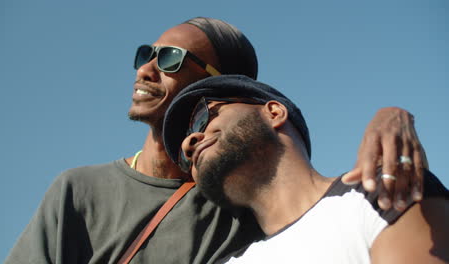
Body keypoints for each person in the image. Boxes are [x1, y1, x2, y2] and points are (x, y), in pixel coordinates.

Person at [5, 17, 429, 263]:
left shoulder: (238, 200)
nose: (146, 70)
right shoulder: (78, 192)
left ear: (220, 82)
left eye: (170, 59)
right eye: (144, 55)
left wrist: (393, 116)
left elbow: (325, 212)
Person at [163, 74, 449, 263]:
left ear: (274, 113)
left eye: (205, 117)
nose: (190, 141)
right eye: (184, 157)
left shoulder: (380, 193)